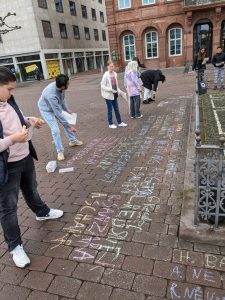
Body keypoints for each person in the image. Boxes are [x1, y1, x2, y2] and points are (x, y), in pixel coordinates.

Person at [0, 67, 64, 268]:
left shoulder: (8, 101)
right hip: (7, 166)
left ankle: (42, 211)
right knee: (8, 208)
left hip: (25, 157)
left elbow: (16, 119)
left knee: (31, 189)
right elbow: (8, 137)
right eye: (9, 89)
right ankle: (15, 246)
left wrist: (29, 120)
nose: (12, 93)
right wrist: (12, 139)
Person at [38, 74, 83, 161]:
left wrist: (66, 109)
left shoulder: (61, 87)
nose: (69, 84)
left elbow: (62, 99)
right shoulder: (50, 94)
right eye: (68, 83)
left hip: (55, 106)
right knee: (55, 130)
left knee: (66, 122)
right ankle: (60, 151)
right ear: (62, 86)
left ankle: (73, 141)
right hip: (46, 110)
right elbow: (58, 113)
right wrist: (69, 126)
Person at [101, 61, 127, 129]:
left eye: (113, 66)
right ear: (108, 67)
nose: (112, 68)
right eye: (110, 66)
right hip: (108, 95)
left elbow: (116, 85)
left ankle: (120, 122)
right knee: (110, 110)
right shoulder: (106, 75)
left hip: (115, 94)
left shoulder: (115, 74)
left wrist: (119, 91)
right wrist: (110, 89)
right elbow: (102, 85)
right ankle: (110, 123)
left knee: (116, 109)